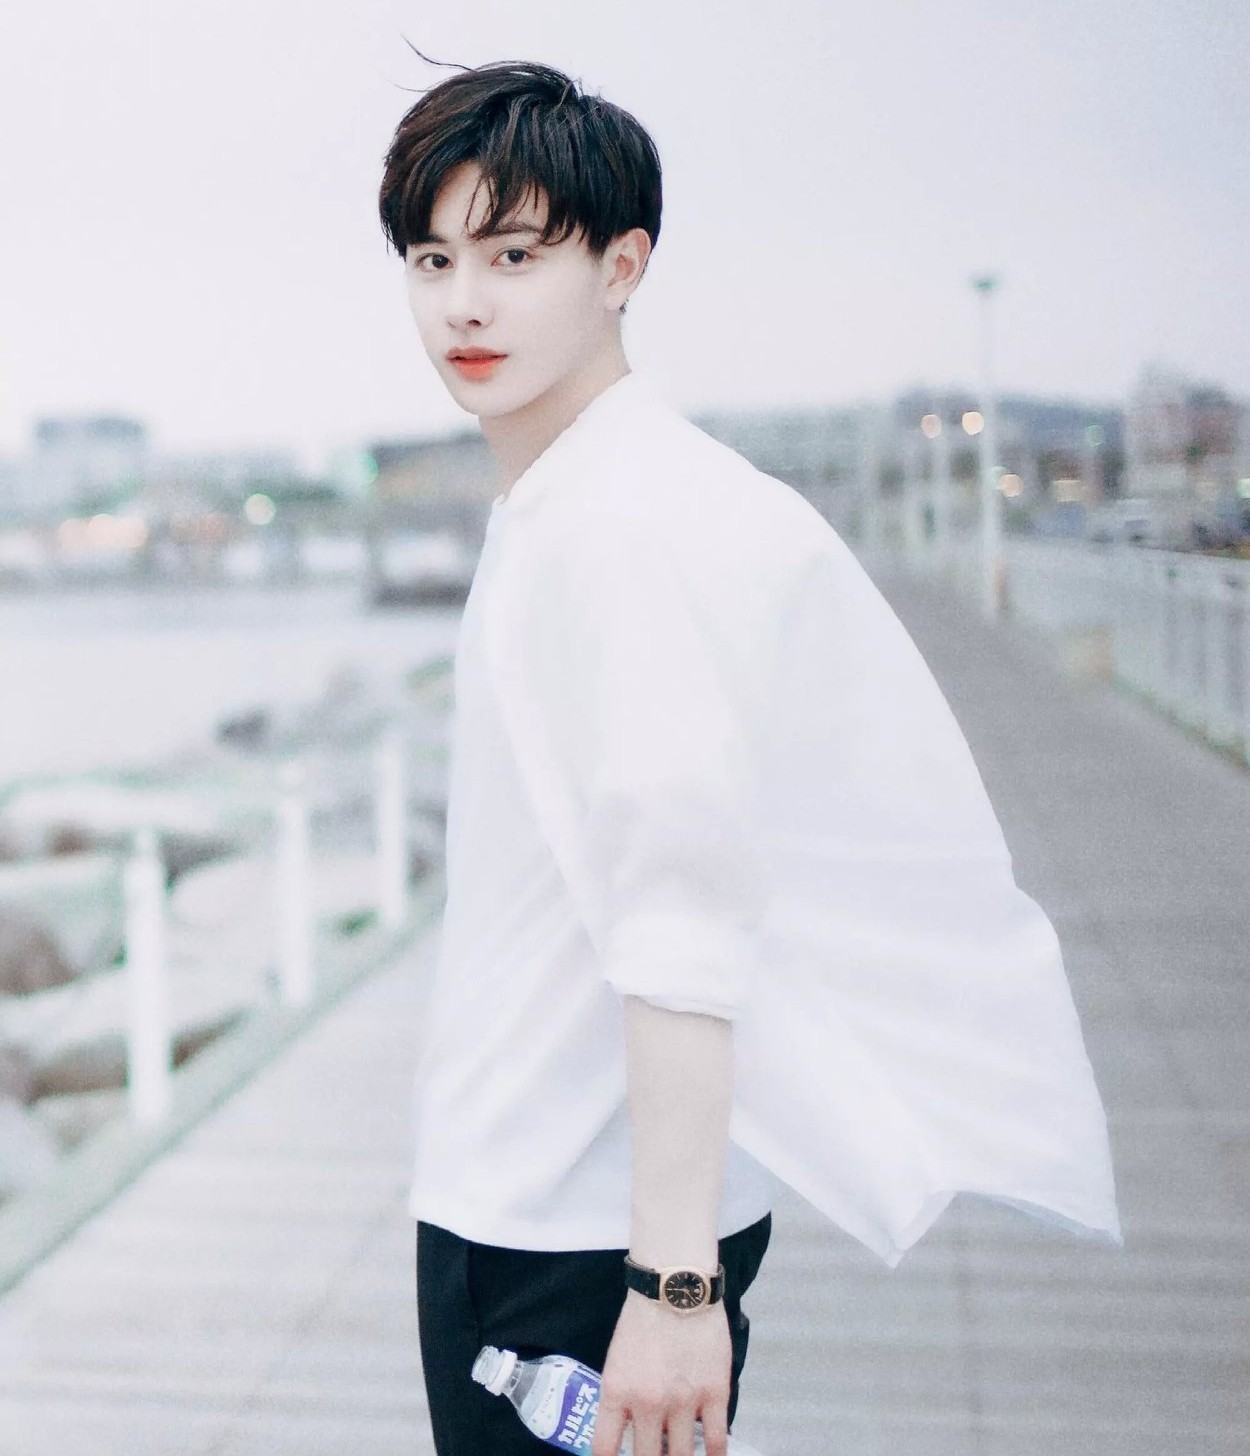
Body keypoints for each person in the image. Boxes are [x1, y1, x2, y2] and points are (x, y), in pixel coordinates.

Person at [377, 58, 1120, 1456]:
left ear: (621, 265)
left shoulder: (627, 526)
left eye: (514, 255)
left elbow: (682, 915)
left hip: (579, 1239)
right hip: (536, 1199)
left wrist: (672, 1289)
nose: (463, 302)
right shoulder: (584, 501)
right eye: (433, 258)